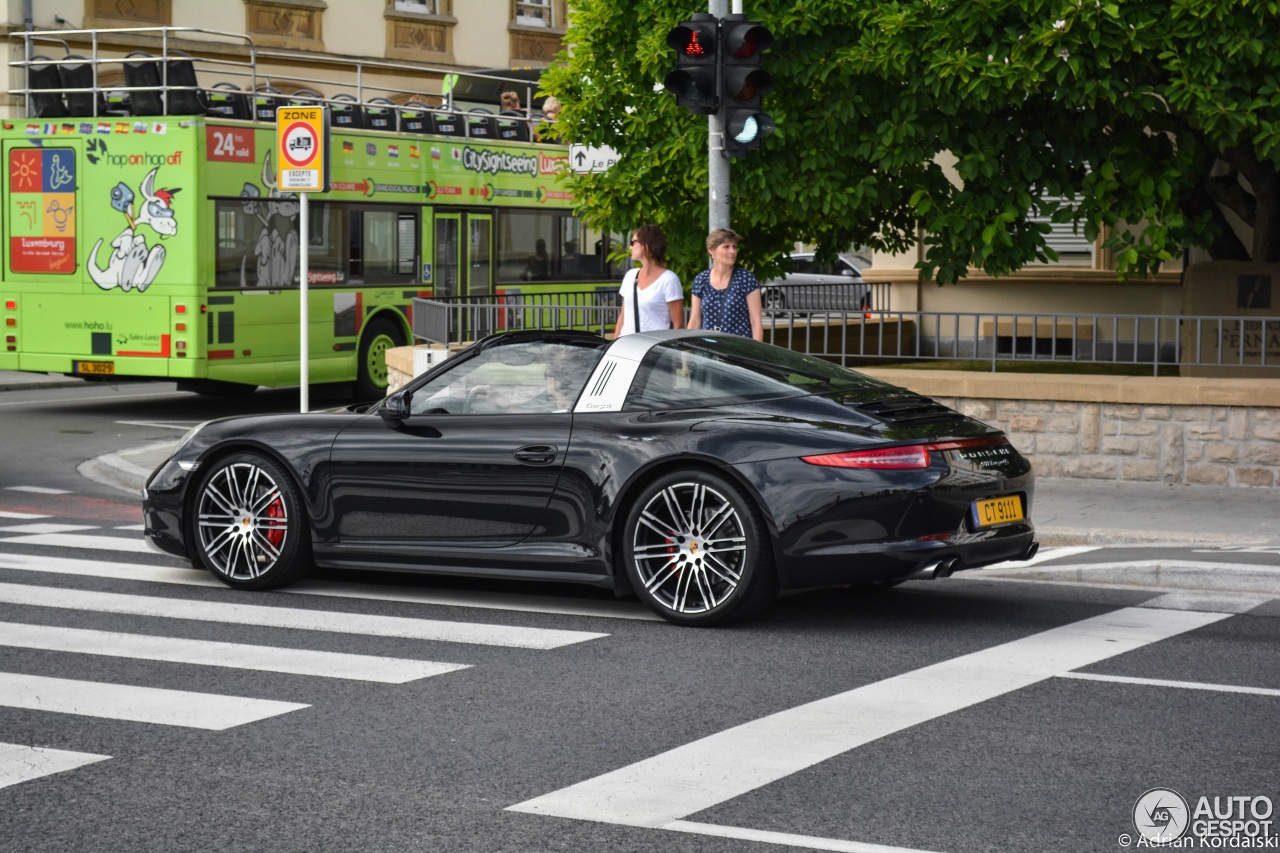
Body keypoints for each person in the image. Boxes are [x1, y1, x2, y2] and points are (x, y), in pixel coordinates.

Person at [688, 228, 764, 340]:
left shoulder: (746, 279)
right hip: (708, 351)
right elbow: (695, 321)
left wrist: (755, 354)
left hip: (738, 351)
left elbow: (756, 322)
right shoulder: (701, 280)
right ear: (711, 250)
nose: (732, 251)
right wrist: (686, 352)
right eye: (726, 247)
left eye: (734, 247)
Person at [613, 224, 685, 338]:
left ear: (646, 245)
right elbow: (623, 315)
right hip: (625, 346)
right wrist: (614, 343)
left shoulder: (669, 280)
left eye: (633, 242)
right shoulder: (630, 276)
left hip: (653, 349)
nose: (630, 247)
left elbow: (679, 325)